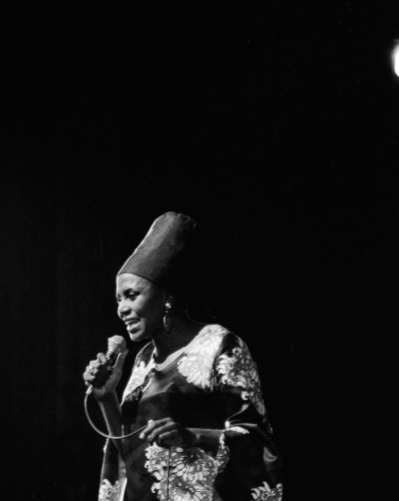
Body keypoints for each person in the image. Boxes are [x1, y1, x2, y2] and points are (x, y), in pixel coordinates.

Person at [82, 212, 283, 501]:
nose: (121, 309)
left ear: (167, 297)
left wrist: (193, 436)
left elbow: (257, 441)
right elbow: (131, 456)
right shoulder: (143, 360)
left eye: (131, 295)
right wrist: (106, 396)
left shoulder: (219, 345)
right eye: (118, 299)